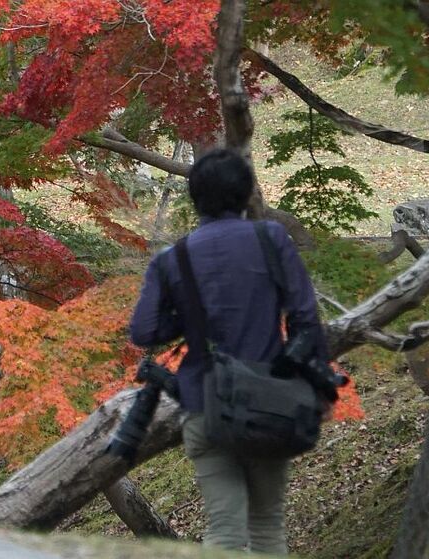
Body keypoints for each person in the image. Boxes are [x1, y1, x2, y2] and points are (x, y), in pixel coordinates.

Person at [128, 149, 328, 554]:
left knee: (223, 533)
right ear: (245, 193)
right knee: (268, 527)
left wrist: (191, 317)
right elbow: (307, 318)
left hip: (206, 406)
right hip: (268, 405)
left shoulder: (173, 258)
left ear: (195, 197)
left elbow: (145, 330)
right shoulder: (271, 239)